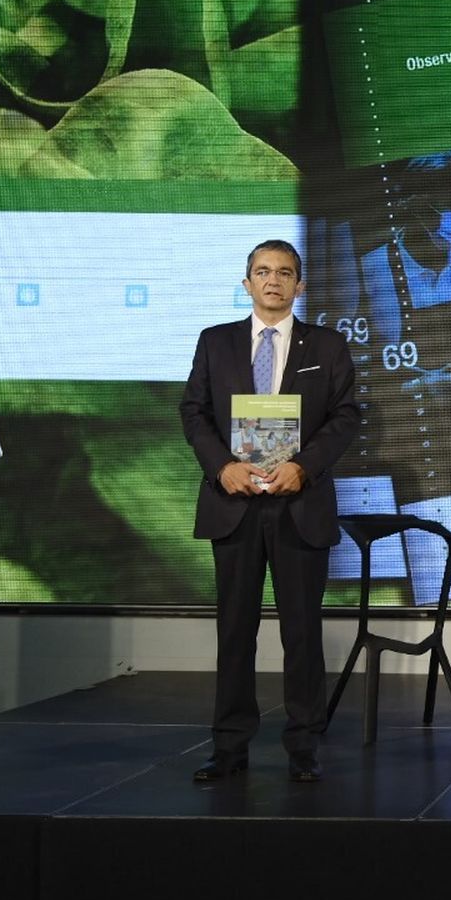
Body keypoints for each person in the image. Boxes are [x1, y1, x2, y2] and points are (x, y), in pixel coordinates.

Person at [180, 240, 359, 783]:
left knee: (302, 633)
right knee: (235, 632)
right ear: (247, 283)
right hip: (233, 503)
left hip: (298, 504)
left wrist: (304, 466)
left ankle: (303, 746)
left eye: (284, 272)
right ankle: (229, 747)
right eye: (262, 271)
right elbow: (193, 411)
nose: (273, 280)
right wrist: (221, 467)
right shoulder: (216, 342)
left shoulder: (326, 345)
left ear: (300, 285)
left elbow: (345, 417)